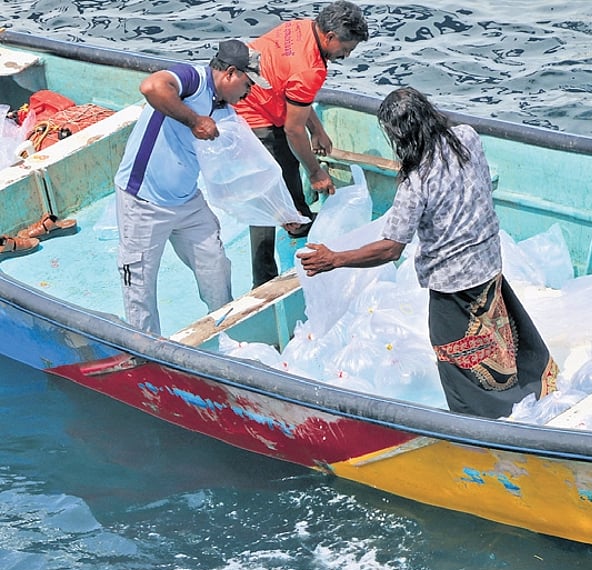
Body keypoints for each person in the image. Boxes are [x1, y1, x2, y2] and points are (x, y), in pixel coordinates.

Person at [297, 87, 559, 418]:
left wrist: (336, 259)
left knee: (459, 360)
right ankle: (529, 392)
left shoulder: (417, 181)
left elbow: (391, 248)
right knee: (498, 334)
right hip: (489, 263)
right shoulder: (467, 137)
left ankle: (486, 422)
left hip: (453, 284)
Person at [113, 39, 265, 335]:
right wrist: (194, 120)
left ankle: (227, 333)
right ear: (230, 73)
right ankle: (146, 350)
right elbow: (151, 87)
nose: (250, 92)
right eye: (248, 84)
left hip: (186, 202)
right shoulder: (193, 79)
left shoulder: (228, 113)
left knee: (216, 265)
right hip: (143, 200)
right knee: (140, 283)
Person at [234, 0, 370, 287]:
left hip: (251, 97)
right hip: (251, 113)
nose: (345, 57)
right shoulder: (311, 68)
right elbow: (294, 129)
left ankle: (298, 222)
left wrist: (317, 130)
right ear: (330, 37)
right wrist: (316, 172)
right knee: (266, 191)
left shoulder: (299, 28)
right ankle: (264, 280)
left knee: (287, 161)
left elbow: (292, 91)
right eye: (345, 50)